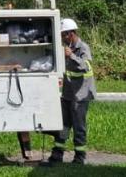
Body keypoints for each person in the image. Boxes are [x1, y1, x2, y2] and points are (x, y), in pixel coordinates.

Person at [46, 17, 96, 166]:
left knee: (79, 126)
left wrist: (71, 55)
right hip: (68, 94)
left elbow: (85, 66)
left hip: (81, 95)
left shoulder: (83, 48)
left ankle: (80, 157)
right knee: (64, 125)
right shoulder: (65, 47)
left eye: (64, 34)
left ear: (71, 33)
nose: (62, 37)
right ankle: (57, 154)